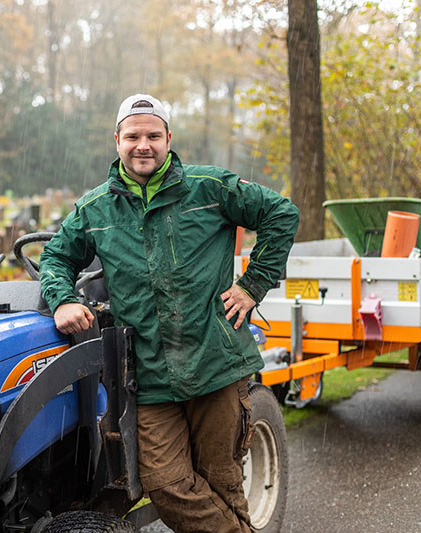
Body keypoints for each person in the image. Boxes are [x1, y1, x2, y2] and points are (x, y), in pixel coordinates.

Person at [39, 94, 298, 533]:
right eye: (134, 136)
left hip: (214, 362)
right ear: (117, 140)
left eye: (153, 135)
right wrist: (63, 298)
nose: (144, 145)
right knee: (166, 485)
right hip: (151, 375)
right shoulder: (96, 209)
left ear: (168, 139)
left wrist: (253, 285)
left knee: (222, 481)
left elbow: (280, 213)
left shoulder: (208, 188)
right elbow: (57, 257)